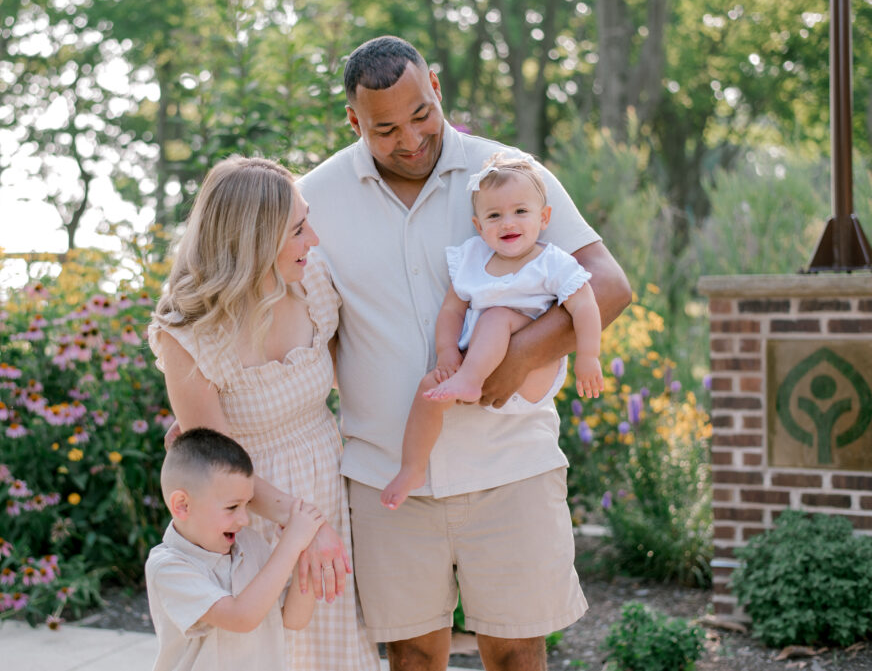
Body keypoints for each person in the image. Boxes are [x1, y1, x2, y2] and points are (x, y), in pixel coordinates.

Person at [296, 36, 632, 671]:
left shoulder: (507, 174)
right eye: (385, 128)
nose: (411, 138)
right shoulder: (316, 198)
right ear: (352, 121)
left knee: (515, 653)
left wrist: (516, 357)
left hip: (510, 465)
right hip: (385, 473)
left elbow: (609, 285)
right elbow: (288, 313)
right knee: (415, 656)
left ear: (437, 89)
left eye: (422, 113)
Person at [148, 157, 380, 671]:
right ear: (254, 242)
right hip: (248, 513)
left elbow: (354, 376)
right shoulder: (187, 331)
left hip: (327, 485)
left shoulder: (312, 281)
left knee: (335, 646)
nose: (314, 240)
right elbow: (216, 463)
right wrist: (303, 525)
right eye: (298, 230)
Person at [380, 152, 604, 510]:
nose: (507, 222)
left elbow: (586, 305)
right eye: (494, 215)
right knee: (427, 389)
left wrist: (589, 357)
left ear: (543, 217)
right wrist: (447, 353)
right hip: (480, 363)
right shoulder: (472, 258)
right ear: (479, 225)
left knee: (498, 315)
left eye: (520, 212)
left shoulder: (551, 261)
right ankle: (413, 468)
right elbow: (452, 309)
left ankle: (468, 380)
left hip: (533, 369)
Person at [145, 427, 323, 671]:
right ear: (182, 505)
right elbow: (241, 618)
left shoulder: (250, 543)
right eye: (232, 507)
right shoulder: (167, 567)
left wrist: (305, 554)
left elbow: (294, 619)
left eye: (246, 505)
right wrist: (290, 544)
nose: (244, 519)